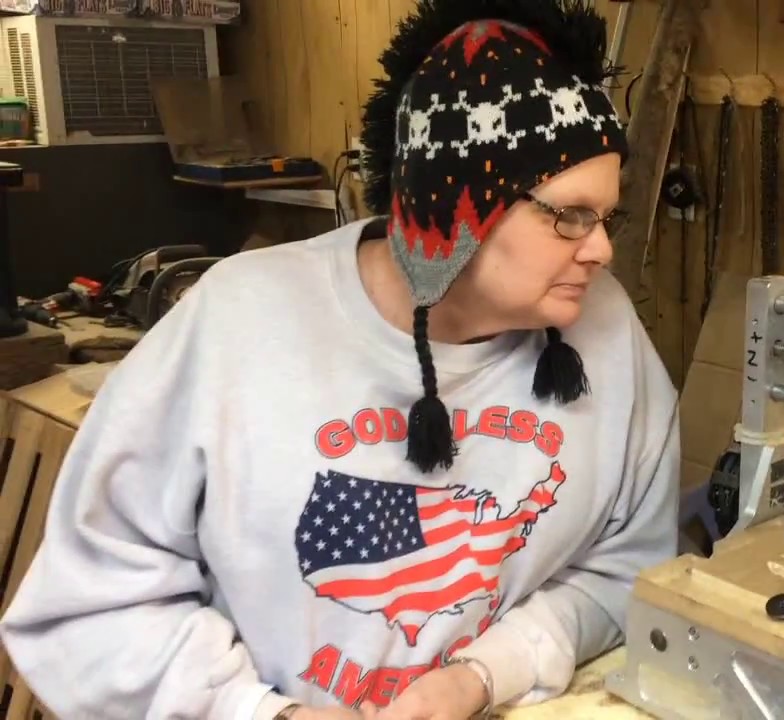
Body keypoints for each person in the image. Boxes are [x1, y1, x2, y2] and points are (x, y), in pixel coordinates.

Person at [0, 1, 679, 718]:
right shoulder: (236, 324)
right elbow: (89, 609)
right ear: (454, 206)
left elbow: (630, 568)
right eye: (569, 215)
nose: (601, 248)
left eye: (608, 216)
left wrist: (482, 676)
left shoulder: (606, 335)